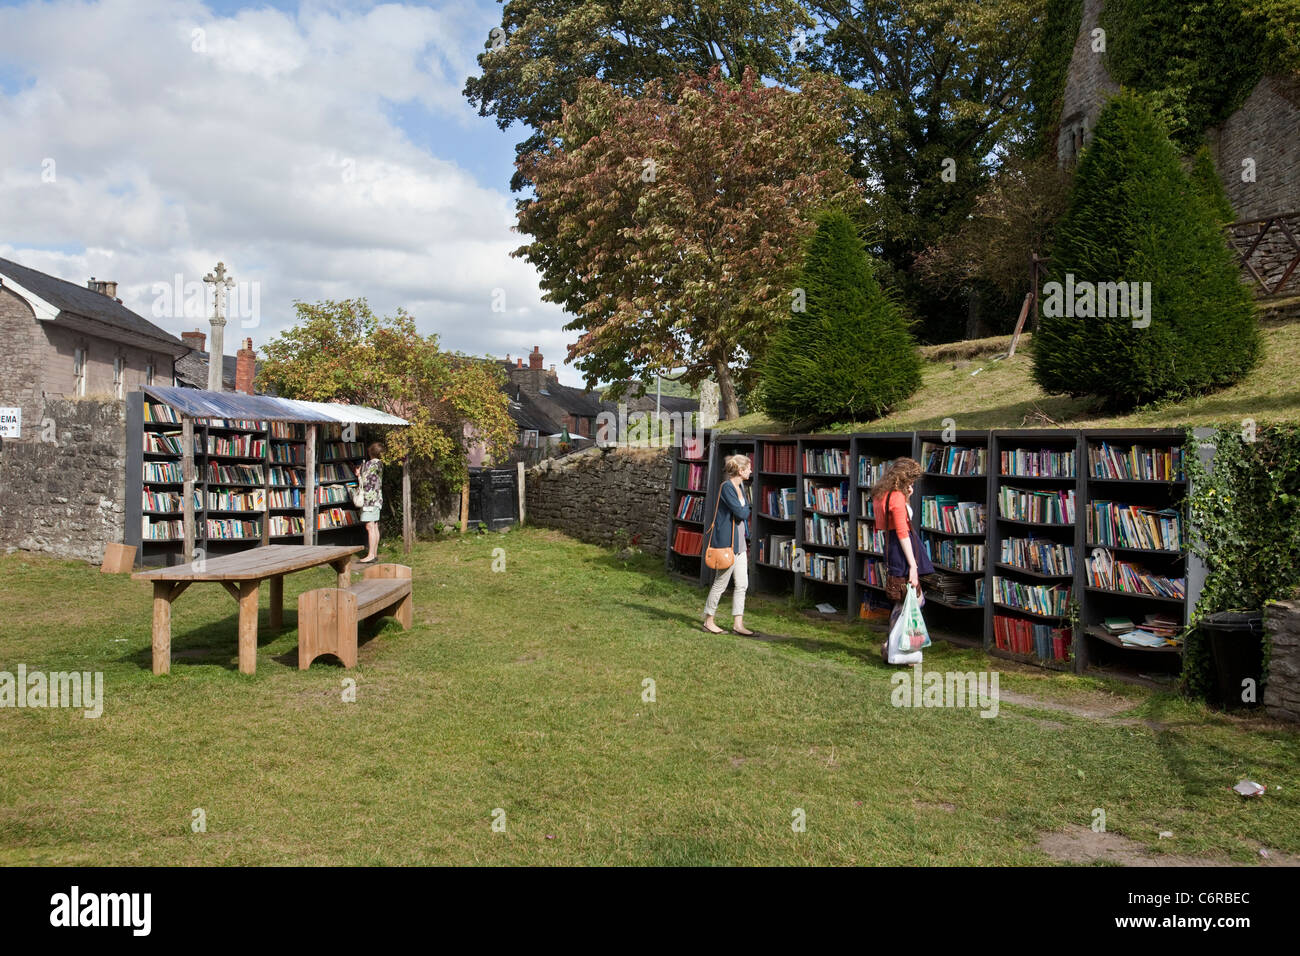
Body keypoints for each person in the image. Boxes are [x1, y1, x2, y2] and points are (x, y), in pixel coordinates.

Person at [869, 457, 934, 662]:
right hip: (902, 549)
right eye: (911, 481)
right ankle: (891, 645)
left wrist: (907, 497)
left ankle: (893, 646)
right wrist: (913, 566)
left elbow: (889, 523)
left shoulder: (881, 495)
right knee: (911, 598)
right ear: (903, 479)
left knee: (905, 599)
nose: (912, 485)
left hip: (893, 547)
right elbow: (903, 531)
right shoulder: (896, 497)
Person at [703, 454, 754, 636]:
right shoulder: (727, 488)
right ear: (740, 470)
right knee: (720, 583)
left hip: (740, 545)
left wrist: (745, 509)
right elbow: (741, 514)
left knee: (742, 585)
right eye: (748, 468)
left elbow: (743, 511)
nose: (751, 470)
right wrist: (745, 509)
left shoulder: (741, 486)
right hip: (727, 545)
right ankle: (709, 620)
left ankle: (738, 624)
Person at [355, 441, 384, 563]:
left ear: (370, 452)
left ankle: (371, 555)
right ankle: (374, 553)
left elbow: (365, 483)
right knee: (375, 526)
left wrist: (358, 475)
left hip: (369, 500)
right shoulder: (380, 464)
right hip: (377, 498)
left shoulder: (368, 465)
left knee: (369, 526)